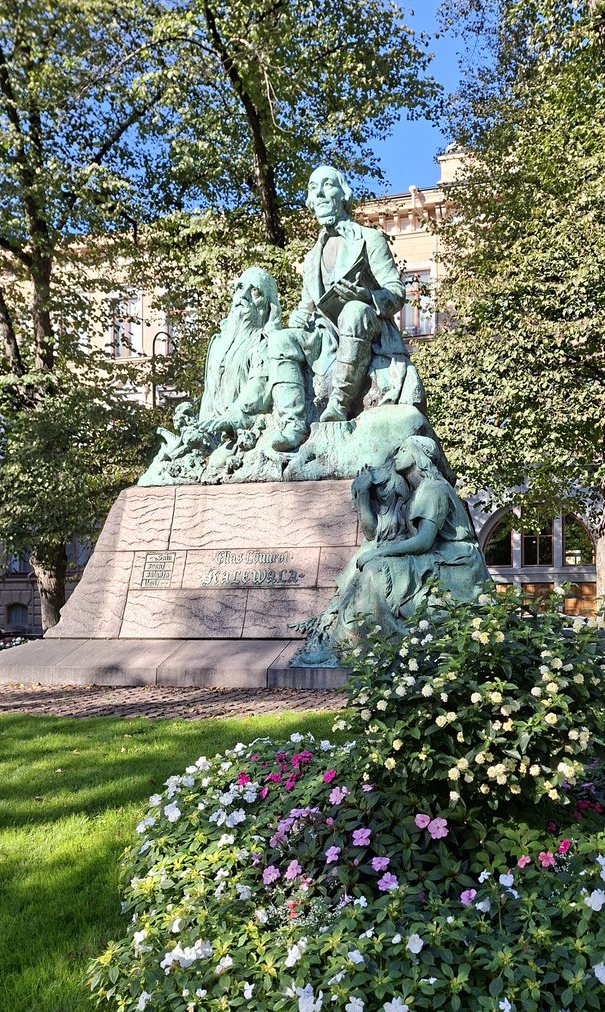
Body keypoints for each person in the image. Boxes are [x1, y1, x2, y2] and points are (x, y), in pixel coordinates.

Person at [292, 435, 490, 664]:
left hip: (455, 561)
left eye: (404, 450)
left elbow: (424, 541)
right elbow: (376, 534)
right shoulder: (419, 490)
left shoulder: (434, 488)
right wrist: (364, 496)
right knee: (369, 566)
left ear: (419, 456)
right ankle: (349, 641)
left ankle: (346, 645)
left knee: (375, 570)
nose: (397, 456)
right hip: (439, 555)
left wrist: (379, 553)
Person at [267, 165, 422, 453]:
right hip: (326, 334)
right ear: (310, 201)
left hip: (368, 325)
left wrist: (367, 296)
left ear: (343, 194)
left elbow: (396, 292)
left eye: (328, 185)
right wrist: (299, 317)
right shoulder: (311, 257)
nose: (320, 194)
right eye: (314, 189)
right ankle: (294, 424)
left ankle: (339, 405)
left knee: (353, 310)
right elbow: (307, 307)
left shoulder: (370, 238)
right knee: (280, 340)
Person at [198, 266, 283, 433]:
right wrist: (201, 432)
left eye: (255, 291)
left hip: (244, 431)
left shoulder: (265, 342)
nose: (243, 295)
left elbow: (259, 385)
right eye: (240, 287)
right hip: (211, 431)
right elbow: (208, 397)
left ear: (268, 305)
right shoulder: (217, 344)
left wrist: (231, 419)